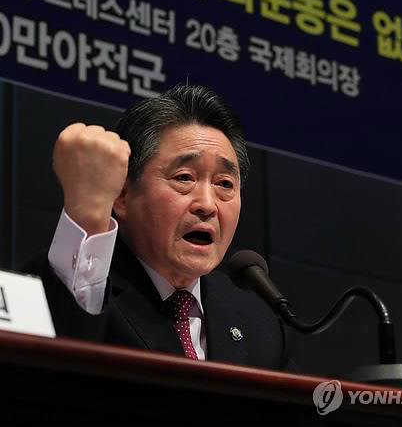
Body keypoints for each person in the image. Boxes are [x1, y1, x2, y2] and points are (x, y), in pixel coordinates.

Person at [27, 83, 292, 370]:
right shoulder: (78, 286)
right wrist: (88, 215)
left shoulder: (261, 323)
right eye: (184, 177)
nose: (207, 204)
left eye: (224, 184)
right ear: (122, 193)